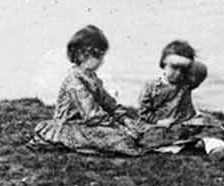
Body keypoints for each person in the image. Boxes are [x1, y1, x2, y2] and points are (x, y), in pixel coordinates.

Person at [30, 25, 146, 156]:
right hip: (70, 127)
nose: (101, 61)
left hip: (87, 125)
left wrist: (126, 120)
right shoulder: (73, 80)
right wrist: (120, 128)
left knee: (128, 134)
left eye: (102, 56)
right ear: (82, 54)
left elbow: (109, 103)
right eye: (97, 55)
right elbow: (92, 115)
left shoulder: (92, 78)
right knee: (118, 138)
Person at [135, 39, 224, 160]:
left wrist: (188, 66)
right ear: (163, 64)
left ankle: (216, 149)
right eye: (174, 67)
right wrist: (158, 122)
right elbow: (143, 112)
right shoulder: (151, 86)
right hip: (162, 126)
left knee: (211, 128)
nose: (178, 73)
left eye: (183, 70)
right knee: (154, 137)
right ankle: (187, 144)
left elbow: (201, 69)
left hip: (185, 123)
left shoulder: (186, 83)